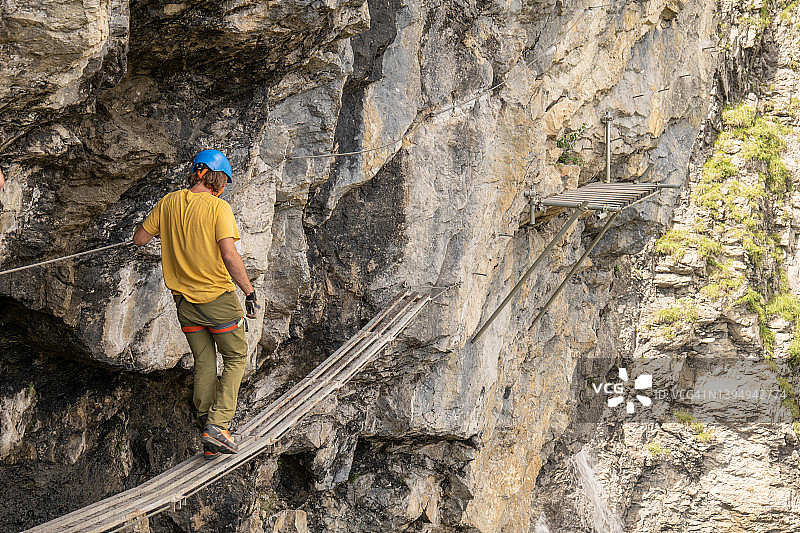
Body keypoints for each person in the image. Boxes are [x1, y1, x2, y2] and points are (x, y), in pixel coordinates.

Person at [132, 149, 259, 460]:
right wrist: (249, 292)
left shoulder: (168, 203)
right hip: (217, 299)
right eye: (225, 182)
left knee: (203, 361)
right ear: (217, 179)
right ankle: (218, 426)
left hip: (185, 303)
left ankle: (207, 425)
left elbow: (139, 239)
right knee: (236, 357)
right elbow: (229, 256)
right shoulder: (219, 208)